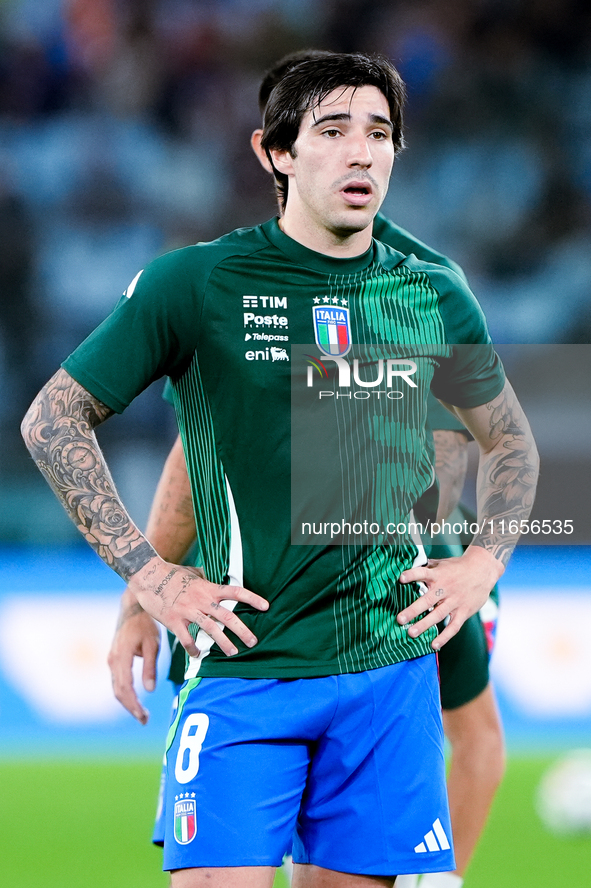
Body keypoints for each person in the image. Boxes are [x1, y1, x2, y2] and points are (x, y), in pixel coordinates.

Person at [22, 52, 538, 888]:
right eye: (331, 132)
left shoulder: (432, 291)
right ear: (276, 152)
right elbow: (56, 420)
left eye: (378, 134)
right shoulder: (196, 284)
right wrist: (146, 582)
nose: (359, 152)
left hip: (386, 680)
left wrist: (484, 561)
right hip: (244, 670)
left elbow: (511, 441)